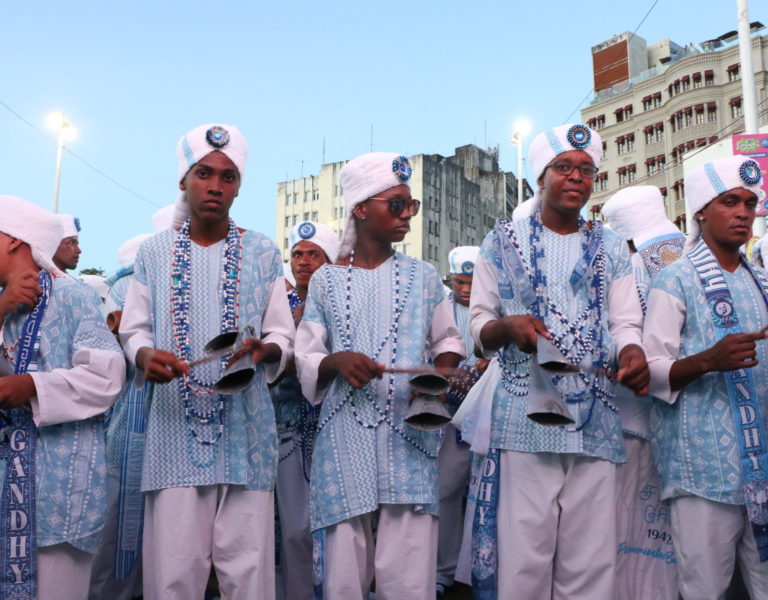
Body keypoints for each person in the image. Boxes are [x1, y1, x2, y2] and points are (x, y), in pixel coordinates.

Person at [469, 124, 649, 599]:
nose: (577, 178)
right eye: (564, 168)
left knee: (590, 561)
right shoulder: (502, 240)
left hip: (596, 417)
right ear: (541, 177)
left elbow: (625, 321)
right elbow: (480, 326)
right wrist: (507, 329)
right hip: (525, 415)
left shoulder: (610, 246)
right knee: (525, 557)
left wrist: (631, 350)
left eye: (587, 170)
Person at [119, 123, 294, 600]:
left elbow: (282, 330)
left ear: (239, 185)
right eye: (204, 174)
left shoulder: (262, 251)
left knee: (249, 573)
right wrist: (143, 354)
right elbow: (133, 329)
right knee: (173, 574)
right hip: (174, 431)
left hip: (247, 433)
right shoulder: (154, 253)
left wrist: (268, 349)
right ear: (184, 180)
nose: (216, 186)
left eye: (228, 177)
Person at [295, 152, 465, 599]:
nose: (406, 215)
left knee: (409, 560)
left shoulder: (424, 277)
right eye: (396, 204)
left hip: (411, 431)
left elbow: (449, 344)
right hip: (344, 430)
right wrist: (337, 362)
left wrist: (433, 384)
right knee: (344, 560)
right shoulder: (327, 281)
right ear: (360, 209)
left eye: (412, 206)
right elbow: (307, 352)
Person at [643, 155, 768, 599]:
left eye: (750, 203)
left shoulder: (762, 284)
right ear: (700, 210)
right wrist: (707, 360)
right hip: (702, 472)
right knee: (705, 591)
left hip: (764, 467)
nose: (743, 213)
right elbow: (649, 373)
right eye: (730, 202)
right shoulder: (673, 281)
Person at [0, 195, 125, 600]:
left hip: (60, 487)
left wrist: (33, 386)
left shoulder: (73, 297)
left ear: (14, 241)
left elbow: (106, 375)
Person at [602, 185, 683, 600]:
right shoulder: (693, 254)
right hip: (691, 417)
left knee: (631, 522)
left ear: (625, 238)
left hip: (633, 418)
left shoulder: (624, 269)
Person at [272, 221, 339, 600]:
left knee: (336, 525)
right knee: (293, 525)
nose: (304, 261)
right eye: (298, 253)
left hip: (333, 428)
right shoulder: (279, 307)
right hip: (287, 430)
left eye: (315, 254)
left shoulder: (341, 304)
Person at [88, 232, 152, 600]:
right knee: (118, 516)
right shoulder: (127, 286)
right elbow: (126, 341)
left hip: (163, 416)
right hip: (133, 412)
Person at [436, 245, 489, 596]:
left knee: (486, 496)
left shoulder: (493, 311)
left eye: (472, 282)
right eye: (459, 281)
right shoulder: (441, 310)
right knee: (446, 493)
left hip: (487, 418)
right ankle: (444, 573)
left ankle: (482, 571)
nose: (466, 289)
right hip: (449, 419)